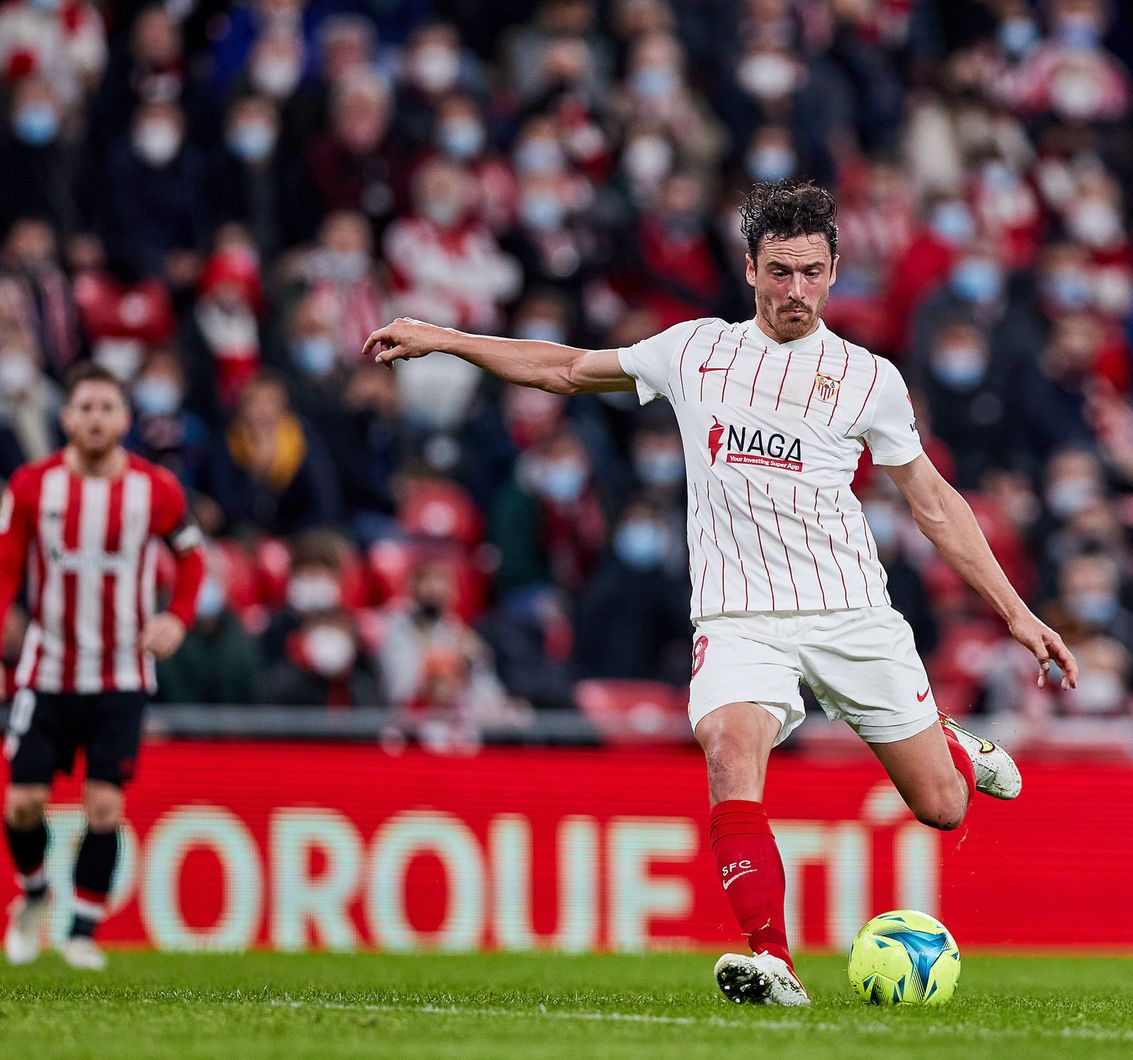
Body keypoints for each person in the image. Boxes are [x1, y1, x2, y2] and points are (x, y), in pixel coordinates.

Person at [365, 179, 1076, 1007]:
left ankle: (951, 742)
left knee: (944, 808)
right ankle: (771, 961)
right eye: (779, 271)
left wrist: (1019, 616)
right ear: (749, 269)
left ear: (836, 270)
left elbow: (933, 502)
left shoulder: (867, 379)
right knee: (730, 756)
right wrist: (440, 337)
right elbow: (564, 369)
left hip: (850, 610)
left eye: (811, 272)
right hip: (737, 617)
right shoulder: (693, 350)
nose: (795, 291)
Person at [0, 363, 204, 971]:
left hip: (121, 674)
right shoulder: (34, 485)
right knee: (23, 805)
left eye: (106, 408)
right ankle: (34, 898)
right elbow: (7, 569)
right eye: (84, 407)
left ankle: (83, 931)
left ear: (124, 419)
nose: (94, 418)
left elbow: (192, 561)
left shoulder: (157, 489)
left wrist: (178, 619)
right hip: (47, 669)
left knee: (104, 807)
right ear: (67, 418)